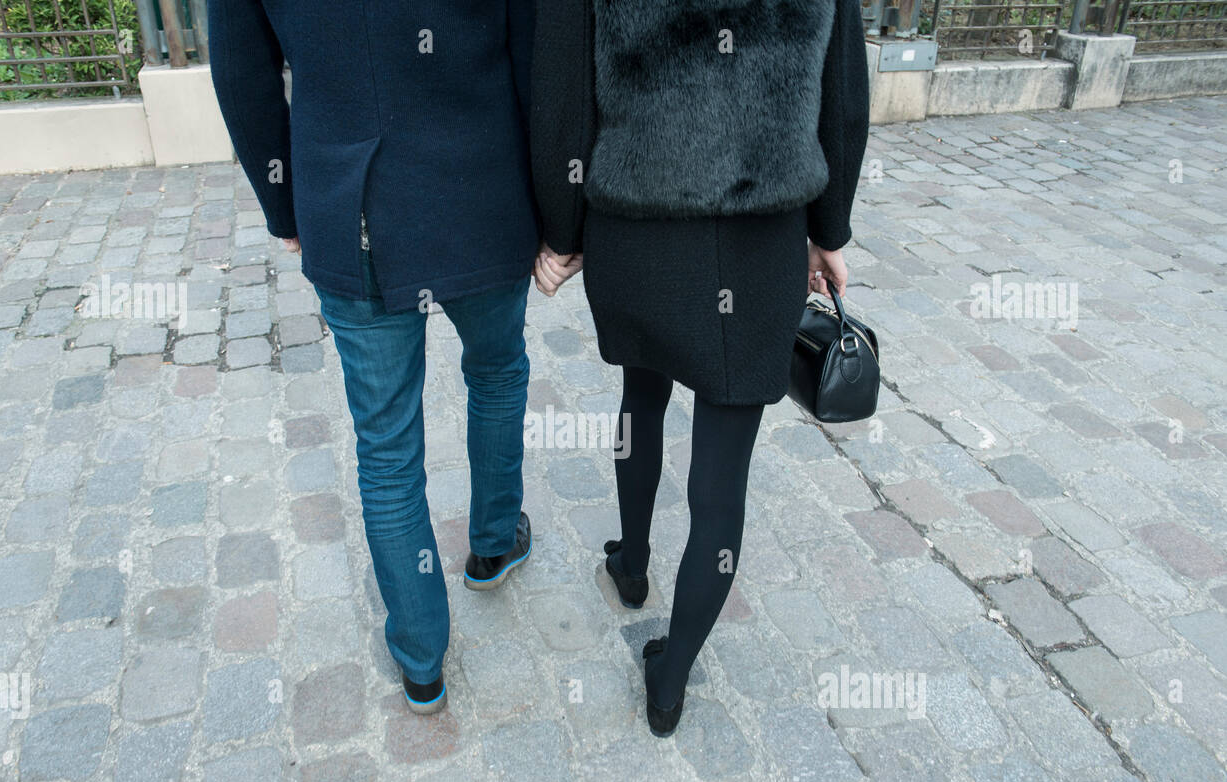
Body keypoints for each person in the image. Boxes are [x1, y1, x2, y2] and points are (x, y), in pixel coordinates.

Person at [530, 0, 869, 735]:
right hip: (760, 241)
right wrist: (830, 227)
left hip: (635, 230)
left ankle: (632, 561)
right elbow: (842, 91)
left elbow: (558, 86)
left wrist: (561, 226)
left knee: (640, 394)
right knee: (722, 484)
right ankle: (670, 677)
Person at [208, 1, 540, 714]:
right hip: (484, 192)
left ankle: (422, 657)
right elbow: (535, 51)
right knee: (497, 370)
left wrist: (285, 207)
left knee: (387, 447)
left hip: (354, 204)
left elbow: (242, 73)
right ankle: (492, 541)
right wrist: (553, 203)